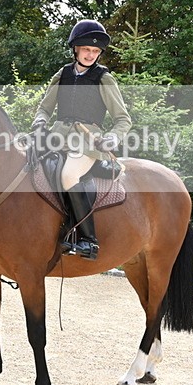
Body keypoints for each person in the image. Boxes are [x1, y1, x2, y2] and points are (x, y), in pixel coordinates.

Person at [31, 19, 132, 260]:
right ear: (76, 49)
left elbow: (123, 119)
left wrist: (111, 139)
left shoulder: (104, 78)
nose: (90, 54)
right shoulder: (63, 74)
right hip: (56, 138)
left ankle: (88, 240)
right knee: (27, 165)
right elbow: (44, 108)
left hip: (87, 143)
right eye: (86, 49)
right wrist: (39, 122)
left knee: (68, 176)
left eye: (95, 51)